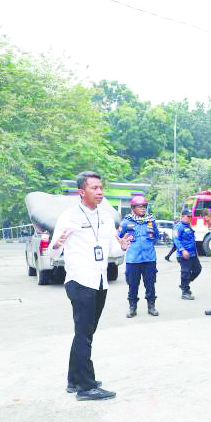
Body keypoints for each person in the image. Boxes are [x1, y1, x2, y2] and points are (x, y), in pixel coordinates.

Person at [49, 171, 130, 401]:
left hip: (100, 281)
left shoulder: (105, 218)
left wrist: (122, 246)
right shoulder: (68, 217)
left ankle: (74, 379)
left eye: (101, 187)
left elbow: (111, 251)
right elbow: (52, 252)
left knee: (85, 333)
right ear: (81, 192)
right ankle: (86, 387)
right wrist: (58, 243)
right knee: (84, 334)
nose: (100, 192)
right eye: (94, 188)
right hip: (80, 281)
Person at [118, 195, 159, 317]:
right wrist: (123, 245)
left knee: (150, 284)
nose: (143, 208)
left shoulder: (151, 221)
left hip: (149, 259)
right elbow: (119, 238)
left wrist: (148, 245)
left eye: (145, 206)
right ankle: (132, 308)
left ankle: (151, 306)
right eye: (140, 206)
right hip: (133, 259)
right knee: (133, 285)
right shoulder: (126, 222)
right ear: (133, 208)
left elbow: (155, 237)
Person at [173, 210, 201, 300]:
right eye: (188, 216)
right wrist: (182, 250)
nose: (190, 218)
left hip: (193, 254)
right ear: (182, 216)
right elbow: (176, 240)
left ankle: (184, 284)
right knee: (186, 273)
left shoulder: (188, 226)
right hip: (184, 254)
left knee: (198, 269)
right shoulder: (178, 227)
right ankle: (185, 292)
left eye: (190, 217)